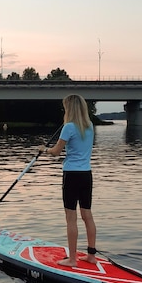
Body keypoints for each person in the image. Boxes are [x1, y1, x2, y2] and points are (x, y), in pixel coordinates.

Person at [40, 94, 97, 267]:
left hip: (72, 175)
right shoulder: (90, 126)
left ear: (69, 109)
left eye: (66, 107)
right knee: (87, 215)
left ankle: (72, 259)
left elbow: (56, 151)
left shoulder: (68, 127)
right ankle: (91, 255)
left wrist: (45, 150)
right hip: (87, 174)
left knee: (71, 218)